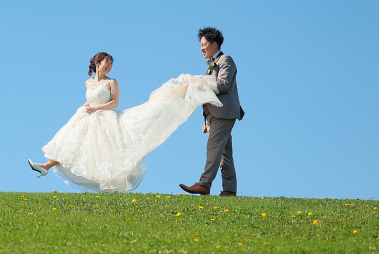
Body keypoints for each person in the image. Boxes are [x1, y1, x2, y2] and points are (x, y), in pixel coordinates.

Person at [28, 52, 222, 193]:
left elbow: (114, 102)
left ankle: (107, 184)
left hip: (105, 119)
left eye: (111, 63)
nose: (109, 66)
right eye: (106, 62)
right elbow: (90, 100)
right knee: (71, 144)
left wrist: (96, 109)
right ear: (97, 63)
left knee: (107, 153)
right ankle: (46, 166)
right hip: (87, 117)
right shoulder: (88, 83)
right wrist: (83, 109)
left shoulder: (112, 82)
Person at [179, 27, 244, 197]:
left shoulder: (226, 60)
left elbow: (223, 84)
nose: (201, 48)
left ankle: (204, 184)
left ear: (214, 44)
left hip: (224, 112)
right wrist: (206, 121)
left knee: (213, 148)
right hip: (215, 114)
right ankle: (229, 190)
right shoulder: (211, 64)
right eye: (201, 44)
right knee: (224, 154)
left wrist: (199, 85)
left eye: (204, 44)